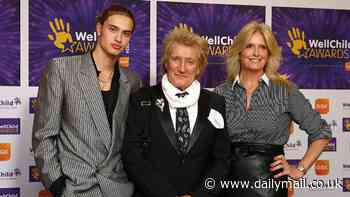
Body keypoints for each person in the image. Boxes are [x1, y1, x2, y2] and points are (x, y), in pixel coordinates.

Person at [32, 4, 142, 197]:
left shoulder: (132, 81)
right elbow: (44, 135)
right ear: (99, 29)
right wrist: (57, 185)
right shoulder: (61, 69)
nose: (119, 38)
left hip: (120, 188)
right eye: (112, 29)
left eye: (126, 33)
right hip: (75, 188)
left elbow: (132, 140)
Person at [215, 21, 331, 197]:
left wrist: (299, 169)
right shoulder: (221, 92)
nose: (256, 53)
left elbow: (321, 132)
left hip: (270, 187)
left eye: (262, 47)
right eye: (249, 46)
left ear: (269, 54)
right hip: (226, 184)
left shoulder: (285, 90)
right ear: (239, 51)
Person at [122, 24, 231, 197]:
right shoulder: (142, 99)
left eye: (190, 61)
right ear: (166, 61)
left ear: (199, 67)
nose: (182, 68)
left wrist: (200, 195)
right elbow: (132, 157)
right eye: (176, 59)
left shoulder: (215, 102)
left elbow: (222, 160)